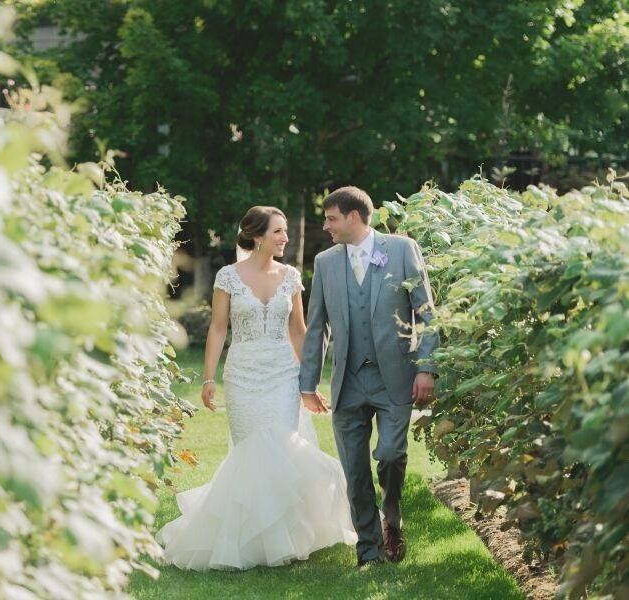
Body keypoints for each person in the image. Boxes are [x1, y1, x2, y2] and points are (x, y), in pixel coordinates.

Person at [155, 206, 356, 571]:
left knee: (282, 446)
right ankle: (258, 541)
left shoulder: (291, 276)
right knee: (251, 452)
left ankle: (288, 538)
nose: (285, 238)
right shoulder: (227, 276)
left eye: (284, 231)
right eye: (278, 232)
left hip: (282, 372)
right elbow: (218, 329)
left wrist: (307, 382)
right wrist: (209, 377)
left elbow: (298, 330)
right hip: (243, 374)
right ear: (257, 236)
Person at [299, 186, 439, 567]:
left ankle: (391, 517)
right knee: (354, 472)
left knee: (392, 456)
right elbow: (316, 328)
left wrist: (427, 368)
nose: (326, 226)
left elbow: (426, 314)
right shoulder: (326, 262)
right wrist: (308, 385)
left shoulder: (401, 249)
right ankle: (370, 550)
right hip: (347, 382)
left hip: (395, 377)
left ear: (353, 217)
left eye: (331, 219)